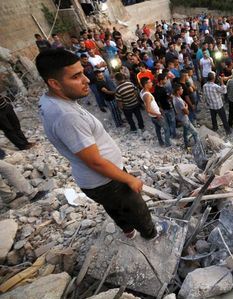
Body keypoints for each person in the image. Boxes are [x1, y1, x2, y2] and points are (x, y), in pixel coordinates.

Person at [36, 49, 163, 240]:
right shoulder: (67, 116)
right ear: (54, 84)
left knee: (114, 207)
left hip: (96, 182)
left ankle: (128, 232)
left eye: (82, 72)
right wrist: (129, 179)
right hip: (105, 180)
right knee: (136, 207)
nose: (87, 80)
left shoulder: (52, 101)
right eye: (76, 76)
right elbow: (95, 162)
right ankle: (151, 235)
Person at [140, 77, 171, 147]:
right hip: (156, 116)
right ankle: (168, 144)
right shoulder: (147, 95)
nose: (152, 83)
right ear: (145, 85)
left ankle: (161, 142)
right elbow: (148, 109)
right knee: (166, 128)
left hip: (153, 116)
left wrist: (158, 108)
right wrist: (157, 114)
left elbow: (150, 104)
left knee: (158, 129)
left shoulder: (142, 91)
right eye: (150, 82)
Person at [172, 84, 199, 149]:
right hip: (184, 119)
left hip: (181, 118)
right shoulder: (179, 100)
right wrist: (186, 107)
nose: (182, 90)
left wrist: (185, 106)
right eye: (181, 89)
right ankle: (199, 148)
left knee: (185, 132)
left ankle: (186, 145)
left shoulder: (175, 97)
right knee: (195, 133)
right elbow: (186, 112)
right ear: (178, 91)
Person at [154, 73, 177, 138]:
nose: (166, 81)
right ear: (161, 81)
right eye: (165, 79)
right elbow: (169, 97)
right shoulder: (163, 89)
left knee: (167, 122)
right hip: (168, 107)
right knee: (172, 121)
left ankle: (169, 134)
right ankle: (174, 134)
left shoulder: (156, 87)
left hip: (163, 108)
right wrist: (171, 96)